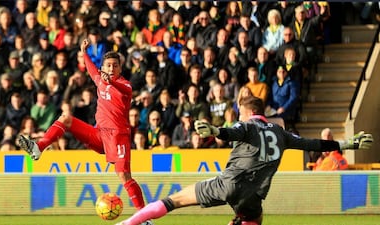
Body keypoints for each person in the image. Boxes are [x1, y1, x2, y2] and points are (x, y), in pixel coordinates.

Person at [114, 95, 373, 225]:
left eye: (241, 112)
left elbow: (231, 132)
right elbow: (313, 144)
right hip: (253, 194)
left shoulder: (247, 126)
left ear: (249, 113)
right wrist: (347, 143)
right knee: (254, 218)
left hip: (229, 182)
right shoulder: (281, 133)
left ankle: (129, 223)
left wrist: (216, 131)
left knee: (175, 200)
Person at [18, 39, 153, 224]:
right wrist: (85, 53)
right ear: (103, 67)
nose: (112, 68)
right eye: (108, 65)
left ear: (120, 69)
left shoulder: (125, 86)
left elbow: (121, 88)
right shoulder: (100, 80)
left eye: (115, 66)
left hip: (118, 136)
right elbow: (91, 70)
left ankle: (144, 218)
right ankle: (38, 147)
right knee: (65, 118)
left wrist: (111, 82)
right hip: (99, 134)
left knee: (123, 175)